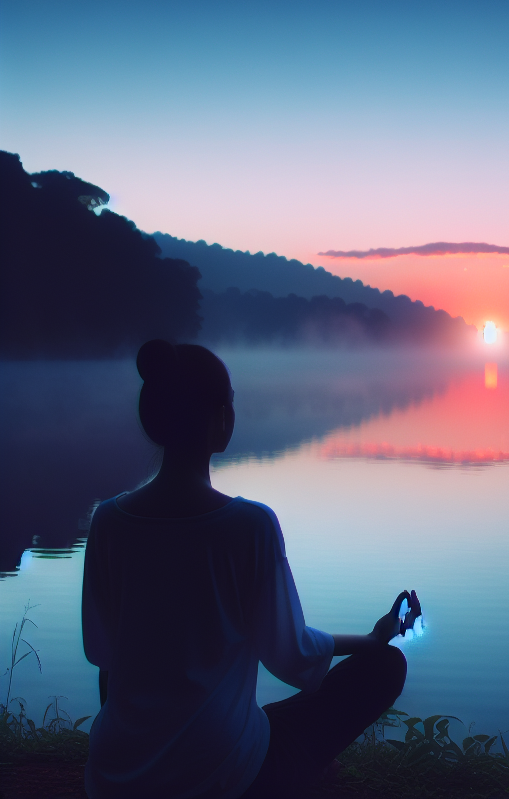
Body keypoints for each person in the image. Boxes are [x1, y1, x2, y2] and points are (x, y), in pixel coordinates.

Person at [81, 340, 411, 798]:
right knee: (386, 667)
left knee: (252, 720)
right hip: (220, 775)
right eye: (230, 403)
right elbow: (291, 655)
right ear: (221, 419)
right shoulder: (249, 526)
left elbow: (103, 654)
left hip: (114, 776)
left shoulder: (108, 521)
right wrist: (373, 640)